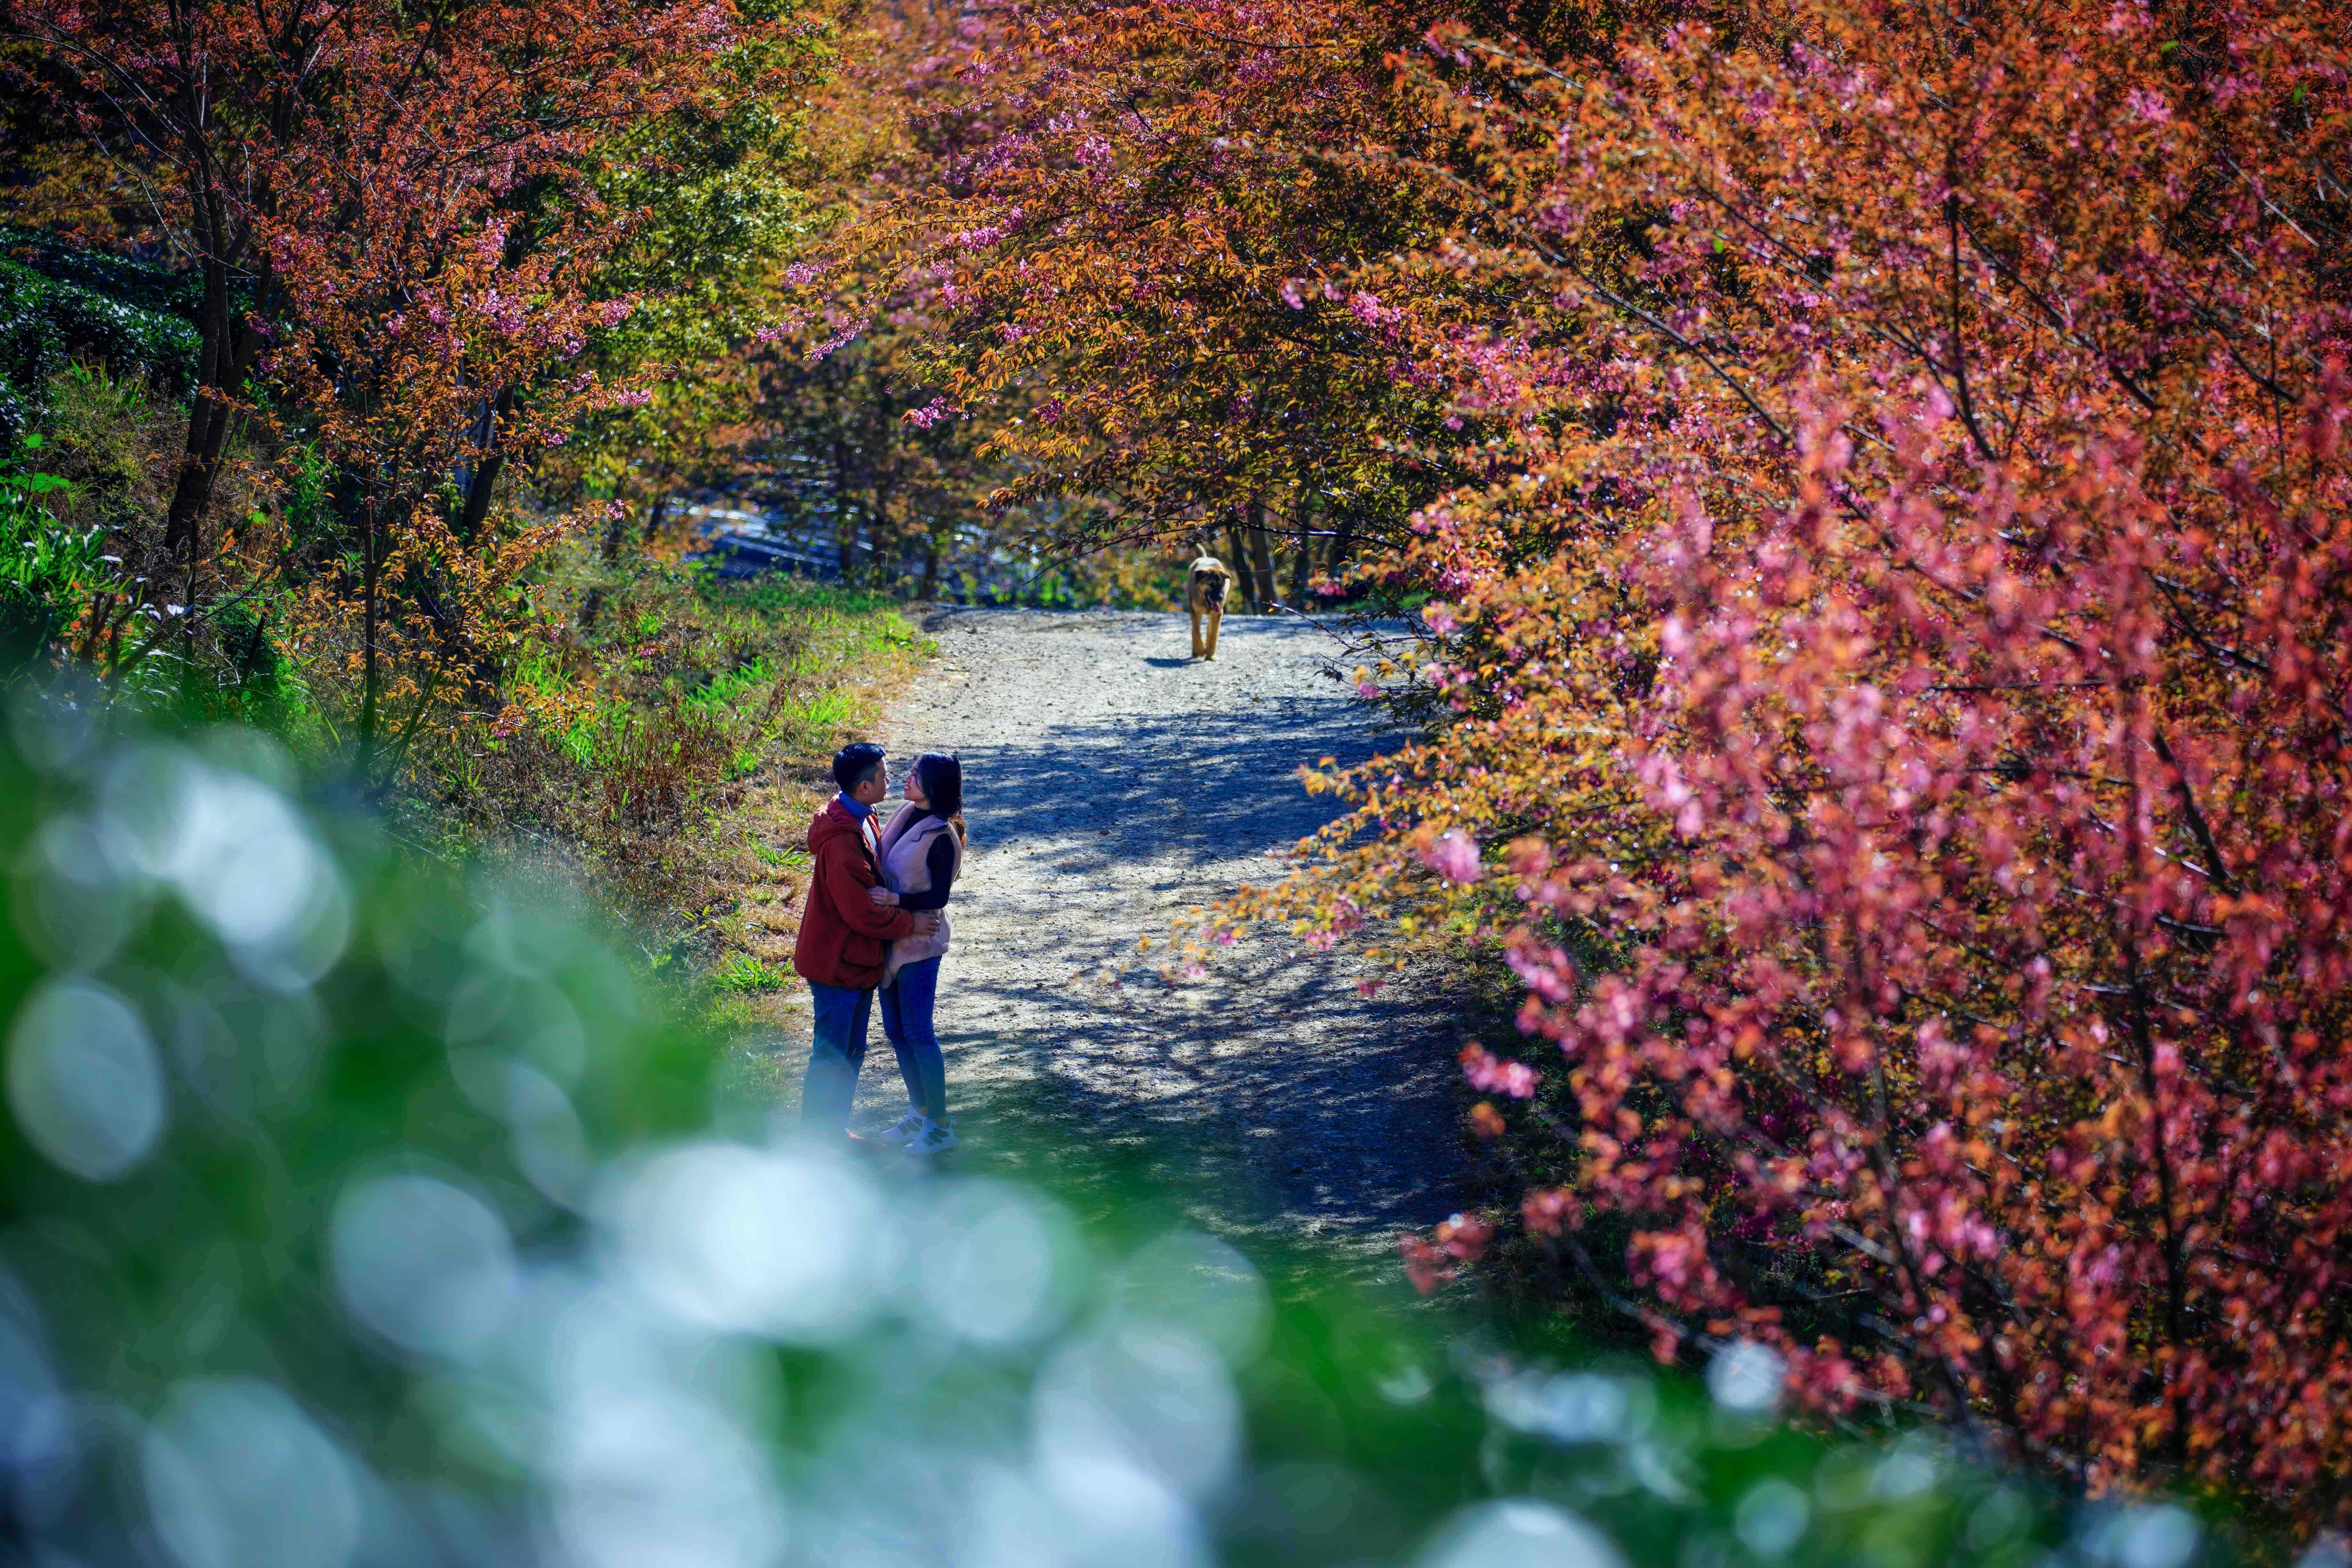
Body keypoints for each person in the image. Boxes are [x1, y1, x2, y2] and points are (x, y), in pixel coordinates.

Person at [793, 742, 941, 1138]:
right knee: (831, 1055)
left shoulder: (862, 815)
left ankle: (832, 1132)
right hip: (835, 963)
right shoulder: (843, 841)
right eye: (883, 775)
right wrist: (909, 922)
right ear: (863, 788)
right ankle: (816, 1142)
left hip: (855, 962)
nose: (890, 780)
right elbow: (862, 912)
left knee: (851, 1053)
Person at [863, 753, 965, 1155]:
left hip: (921, 944)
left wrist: (895, 898)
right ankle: (920, 1112)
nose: (908, 779)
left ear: (934, 787)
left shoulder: (943, 835)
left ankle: (941, 1128)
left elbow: (939, 896)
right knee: (896, 1033)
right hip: (893, 939)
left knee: (920, 1034)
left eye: (917, 776)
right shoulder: (905, 812)